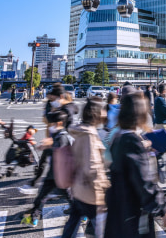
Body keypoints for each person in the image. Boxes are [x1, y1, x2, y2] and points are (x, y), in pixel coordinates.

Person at [105, 91, 166, 237]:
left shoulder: (119, 137)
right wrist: (163, 209)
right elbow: (144, 182)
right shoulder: (132, 142)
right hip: (133, 215)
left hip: (119, 211)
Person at [63, 97, 109, 238]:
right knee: (103, 230)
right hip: (90, 192)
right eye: (103, 110)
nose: (105, 113)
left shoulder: (81, 131)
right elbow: (92, 166)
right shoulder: (89, 135)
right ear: (97, 113)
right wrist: (104, 187)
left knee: (72, 225)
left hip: (78, 187)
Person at [21, 109, 72, 227]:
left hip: (62, 175)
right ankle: (33, 217)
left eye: (52, 124)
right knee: (41, 197)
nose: (50, 126)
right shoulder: (55, 136)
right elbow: (45, 159)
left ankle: (83, 214)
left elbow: (61, 153)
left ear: (59, 123)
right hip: (52, 174)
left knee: (70, 197)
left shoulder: (63, 137)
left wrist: (49, 147)